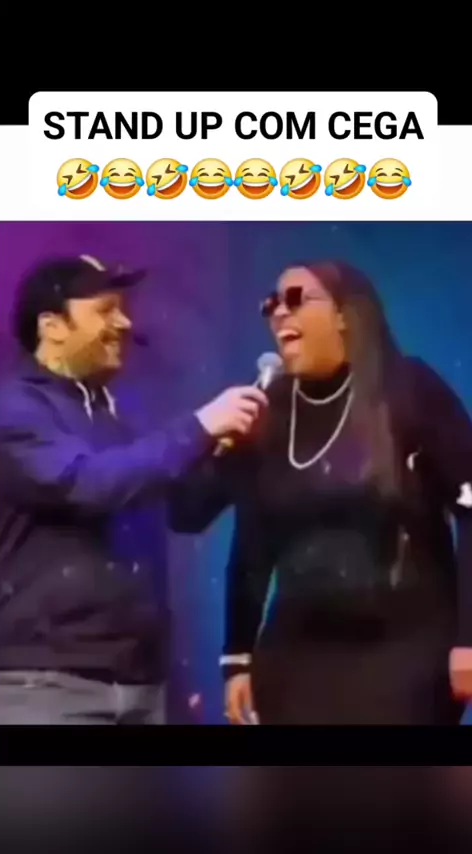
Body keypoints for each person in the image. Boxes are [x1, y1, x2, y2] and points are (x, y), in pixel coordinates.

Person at [169, 260, 472, 724]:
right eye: (271, 304)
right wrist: (237, 657)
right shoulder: (268, 406)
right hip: (297, 654)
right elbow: (201, 520)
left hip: (405, 650)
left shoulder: (408, 388)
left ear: (345, 314)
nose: (278, 312)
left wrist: (468, 640)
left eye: (295, 299)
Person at [0, 254, 267, 724]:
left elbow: (183, 512)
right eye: (105, 310)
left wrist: (231, 454)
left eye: (122, 310)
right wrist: (199, 426)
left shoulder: (112, 418)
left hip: (137, 685)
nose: (123, 323)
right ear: (52, 326)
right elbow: (85, 483)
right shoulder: (17, 409)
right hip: (44, 687)